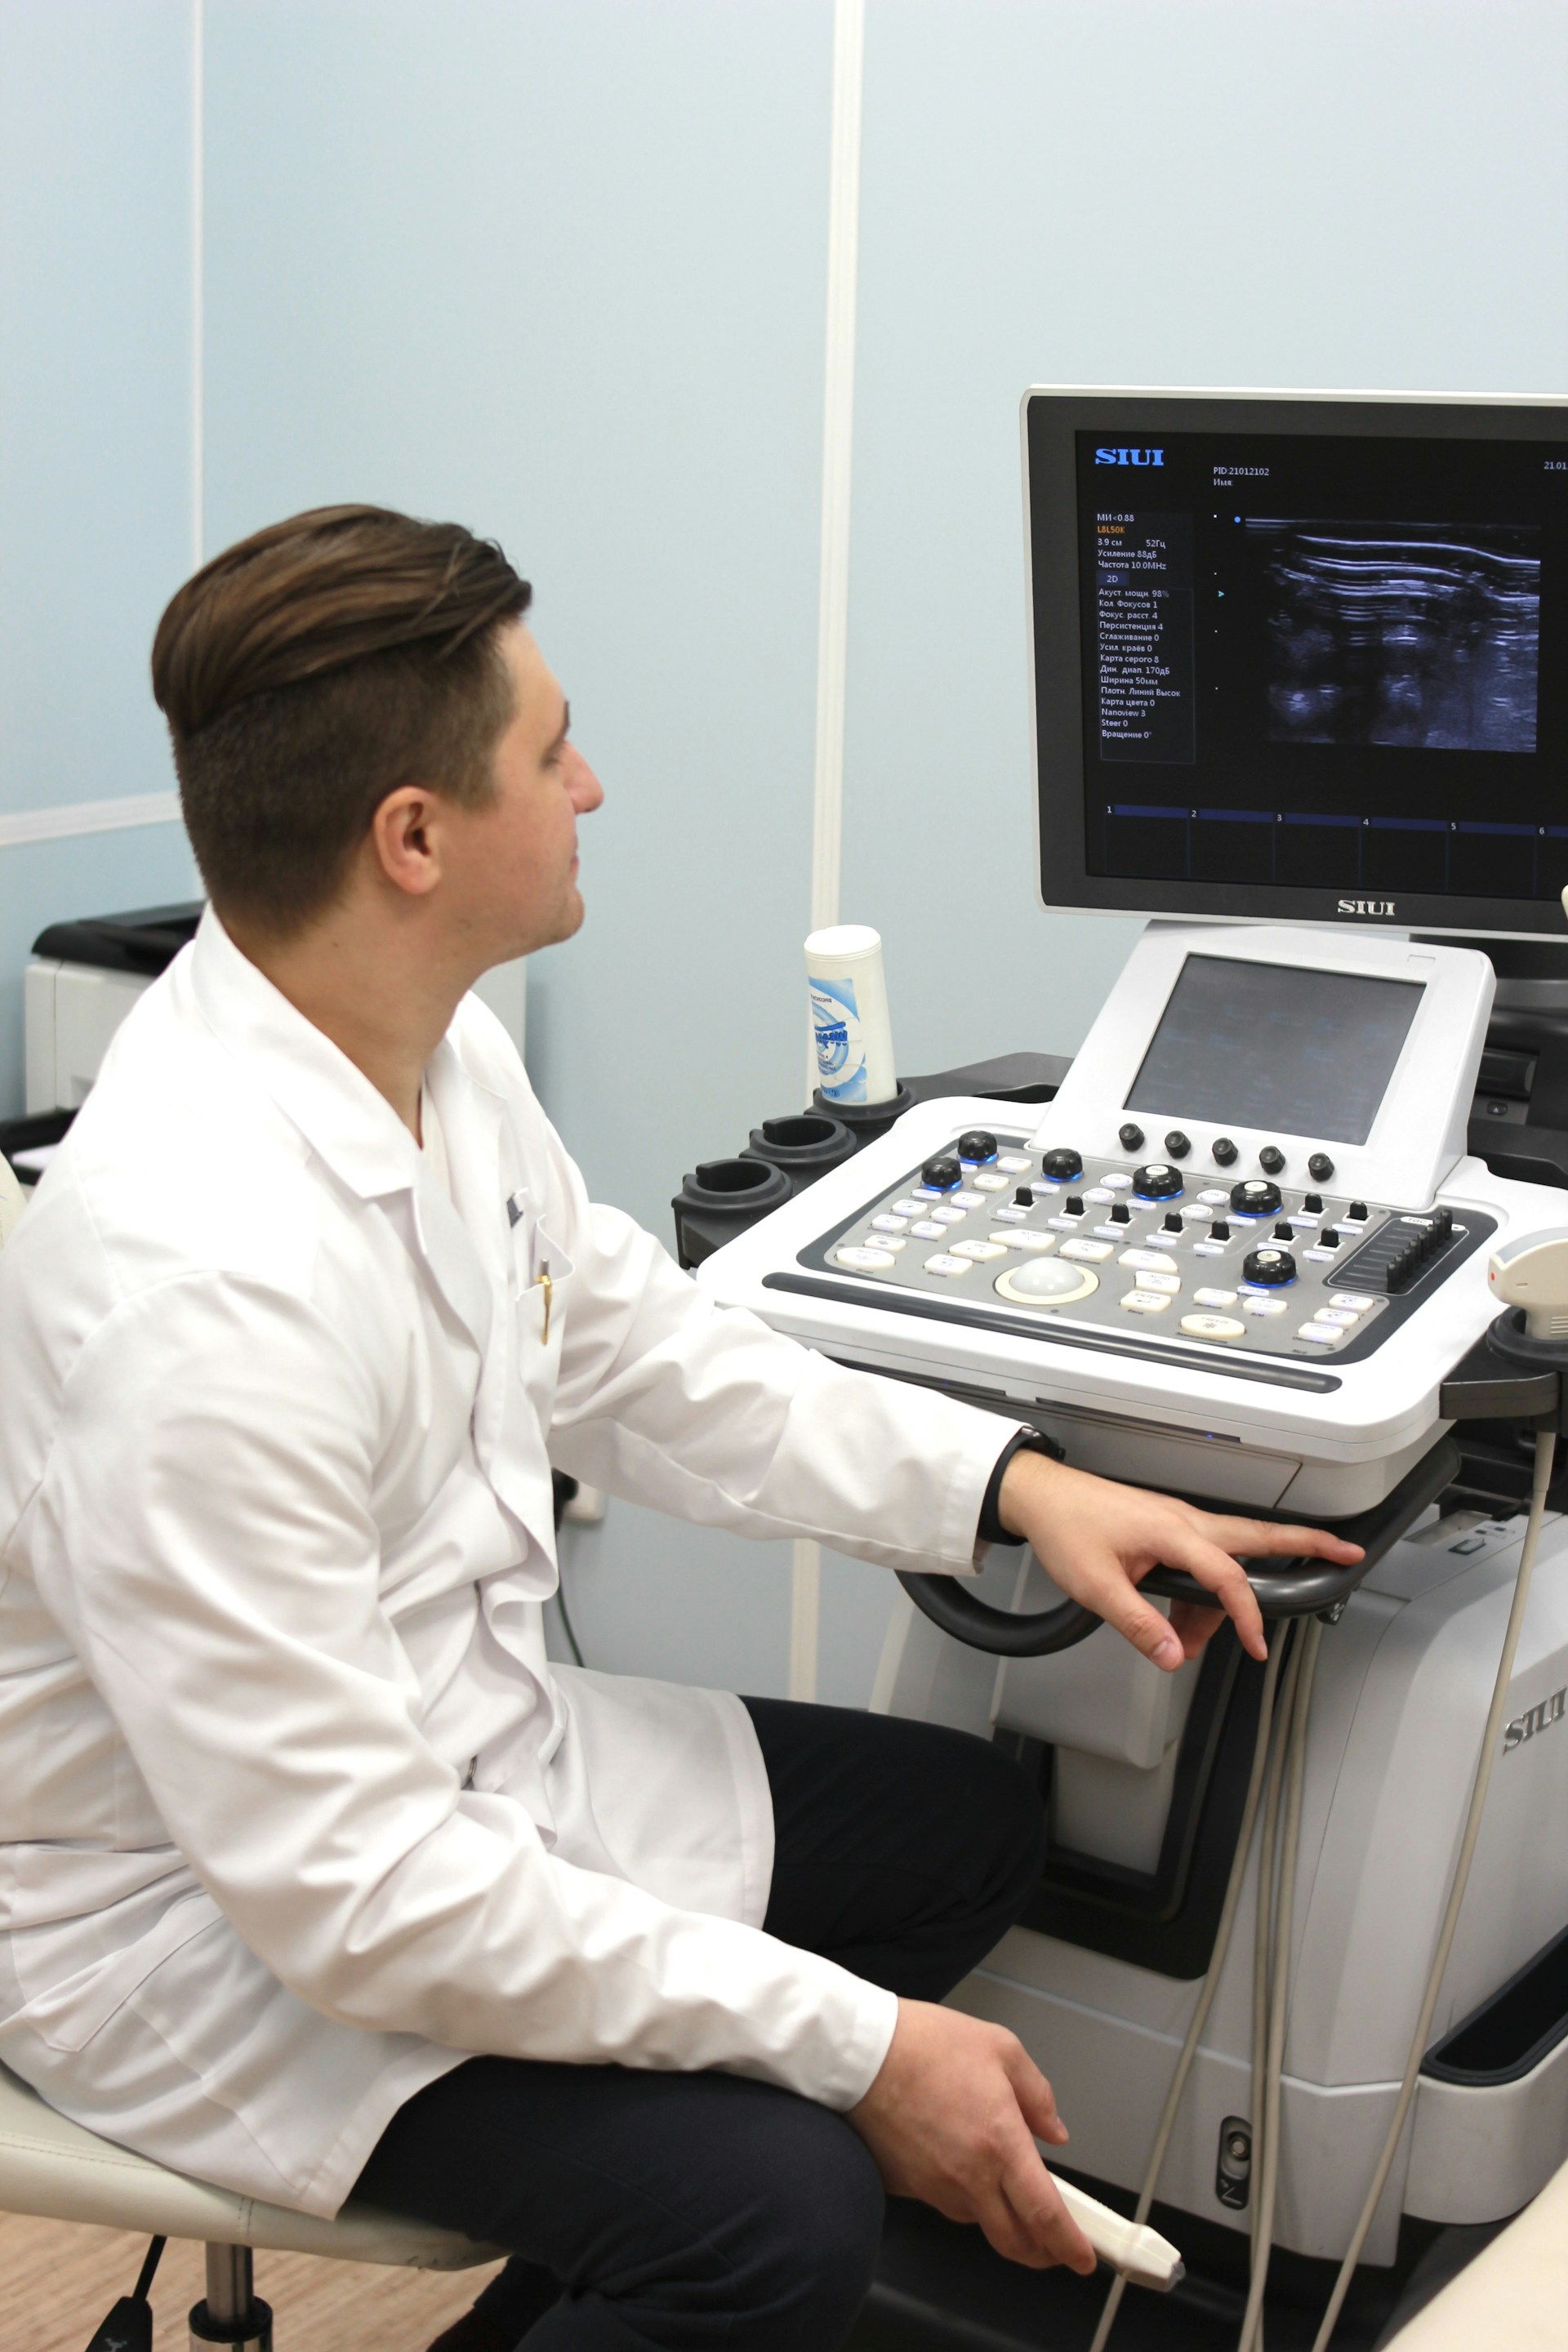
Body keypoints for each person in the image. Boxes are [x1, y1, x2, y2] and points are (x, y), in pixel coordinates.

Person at [0, 508, 1360, 2352]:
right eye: (548, 750)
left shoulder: (423, 1041)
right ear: (413, 837)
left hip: (460, 1776)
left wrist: (1017, 1488)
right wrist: (855, 2051)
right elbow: (360, 1900)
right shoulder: (198, 1289)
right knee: (776, 2214)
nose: (594, 783)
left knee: (966, 1831)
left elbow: (636, 1360)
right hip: (211, 1925)